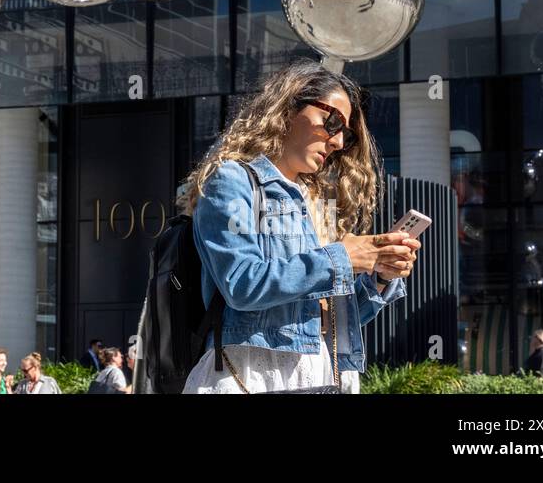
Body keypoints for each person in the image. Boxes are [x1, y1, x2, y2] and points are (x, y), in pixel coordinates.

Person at [180, 59, 420, 394]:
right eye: (332, 121)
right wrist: (341, 258)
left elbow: (328, 320)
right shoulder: (233, 180)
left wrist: (379, 276)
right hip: (253, 370)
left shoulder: (318, 201)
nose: (337, 142)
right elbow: (242, 285)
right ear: (289, 108)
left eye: (346, 135)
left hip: (319, 371)